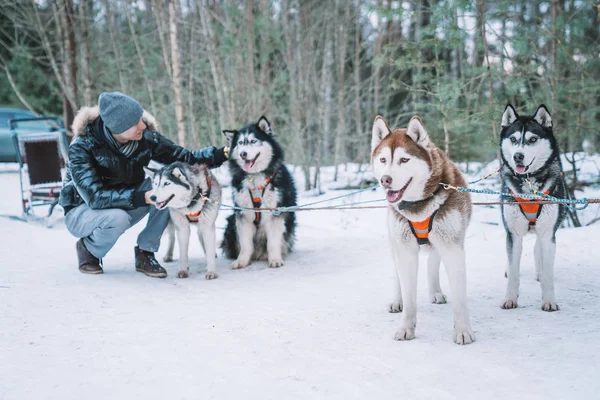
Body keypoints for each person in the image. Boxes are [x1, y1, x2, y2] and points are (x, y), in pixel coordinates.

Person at [59, 91, 229, 278]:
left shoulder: (145, 138)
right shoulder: (82, 147)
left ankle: (145, 252)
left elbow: (185, 158)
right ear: (118, 128)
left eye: (141, 119)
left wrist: (223, 153)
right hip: (82, 210)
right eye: (135, 123)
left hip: (125, 199)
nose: (142, 125)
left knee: (165, 194)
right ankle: (88, 249)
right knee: (118, 218)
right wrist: (142, 197)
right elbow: (94, 197)